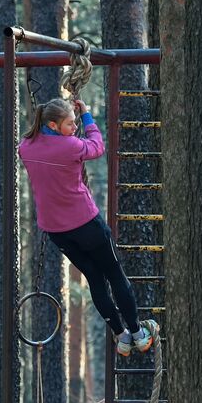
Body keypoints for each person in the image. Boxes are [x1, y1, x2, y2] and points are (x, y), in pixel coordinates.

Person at [19, 96, 156, 358]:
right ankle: (137, 333)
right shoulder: (70, 146)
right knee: (115, 275)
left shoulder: (26, 148)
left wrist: (72, 119)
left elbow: (29, 145)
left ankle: (121, 336)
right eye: (70, 123)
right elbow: (97, 146)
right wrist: (87, 116)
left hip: (57, 230)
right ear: (53, 124)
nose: (74, 127)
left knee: (95, 278)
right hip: (86, 222)